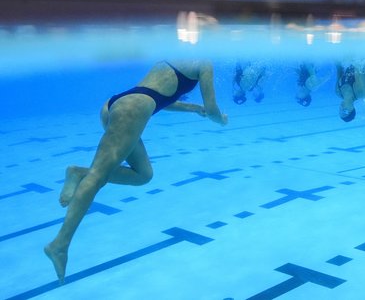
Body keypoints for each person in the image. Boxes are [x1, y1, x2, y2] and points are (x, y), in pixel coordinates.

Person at [44, 60, 228, 284]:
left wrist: (191, 108)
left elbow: (161, 96)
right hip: (132, 109)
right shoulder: (204, 63)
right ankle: (59, 245)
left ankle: (79, 172)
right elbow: (213, 110)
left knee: (143, 175)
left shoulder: (175, 57)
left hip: (117, 103)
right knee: (98, 178)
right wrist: (221, 120)